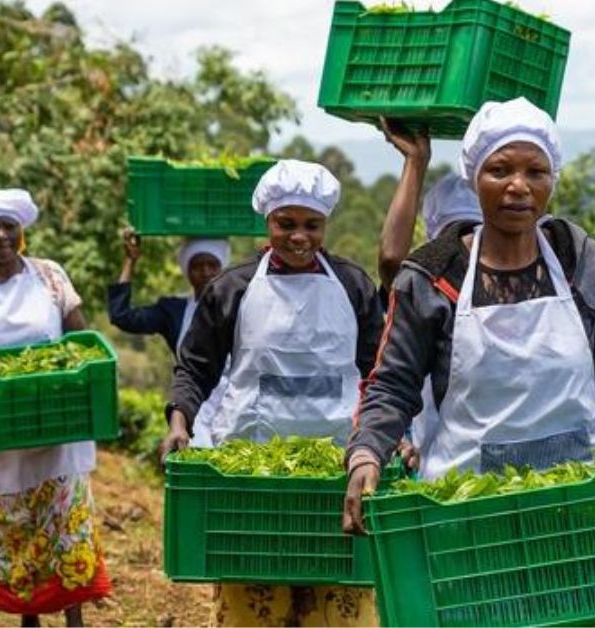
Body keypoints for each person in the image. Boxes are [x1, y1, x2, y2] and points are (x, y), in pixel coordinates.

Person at [343, 98, 595, 534]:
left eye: (536, 172)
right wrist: (366, 454)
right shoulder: (433, 276)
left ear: (552, 180)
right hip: (468, 511)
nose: (519, 186)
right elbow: (392, 386)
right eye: (500, 170)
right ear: (475, 177)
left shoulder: (576, 258)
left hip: (579, 503)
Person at [160, 159, 383, 627]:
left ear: (325, 225)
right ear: (268, 221)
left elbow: (378, 372)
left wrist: (387, 438)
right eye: (287, 224)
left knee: (334, 600)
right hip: (252, 474)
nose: (299, 236)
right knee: (255, 601)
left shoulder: (352, 285)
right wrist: (179, 421)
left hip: (334, 471)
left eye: (311, 225)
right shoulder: (232, 288)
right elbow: (196, 367)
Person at [0, 189, 110, 627]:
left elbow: (79, 342)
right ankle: (28, 616)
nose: (2, 236)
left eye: (10, 227)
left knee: (63, 527)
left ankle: (74, 618)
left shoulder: (49, 276)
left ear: (21, 233)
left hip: (54, 423)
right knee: (17, 530)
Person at [376, 120, 483, 468]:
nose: (462, 245)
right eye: (452, 235)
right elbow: (392, 260)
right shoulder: (427, 286)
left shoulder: (520, 278)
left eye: (471, 231)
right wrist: (415, 161)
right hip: (441, 461)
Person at [108, 232, 230, 444]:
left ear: (223, 268)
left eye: (213, 265)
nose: (205, 272)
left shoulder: (240, 304)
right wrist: (130, 261)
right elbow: (122, 316)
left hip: (235, 407)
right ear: (187, 271)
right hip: (192, 410)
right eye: (197, 266)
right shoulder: (173, 311)